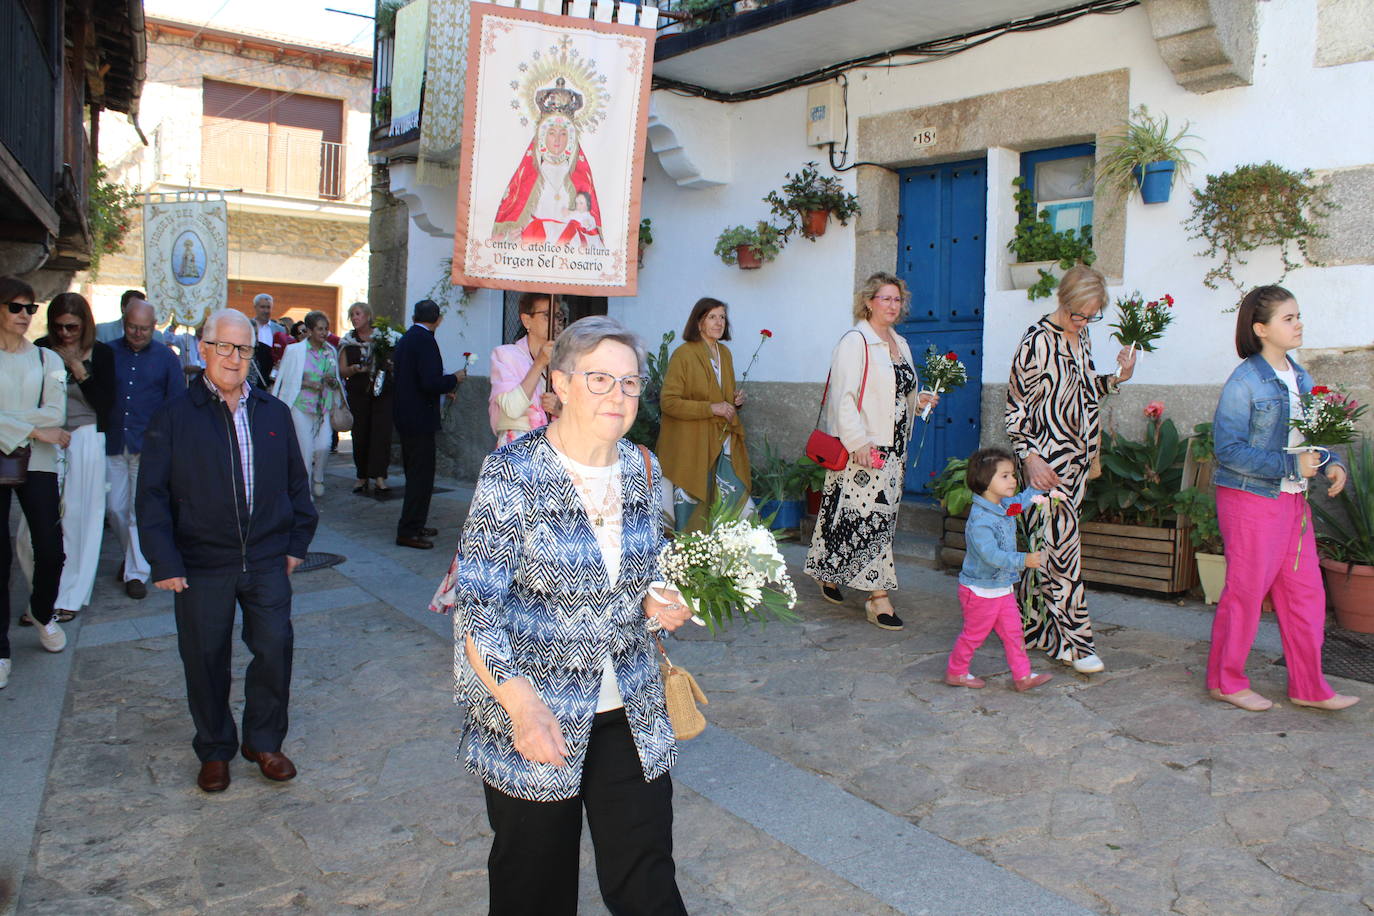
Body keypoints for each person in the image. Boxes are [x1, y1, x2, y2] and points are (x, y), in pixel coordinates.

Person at [429, 315, 691, 914]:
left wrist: (659, 594)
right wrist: (520, 706)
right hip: (536, 711)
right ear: (563, 385)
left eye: (629, 383)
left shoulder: (643, 470)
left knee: (647, 878)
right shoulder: (513, 474)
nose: (618, 396)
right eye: (600, 379)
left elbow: (643, 565)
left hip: (629, 704)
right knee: (534, 884)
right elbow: (479, 608)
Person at [138, 308, 318, 791]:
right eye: (224, 346)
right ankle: (215, 747)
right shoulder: (174, 417)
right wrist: (165, 560)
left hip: (264, 559)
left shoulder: (273, 413)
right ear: (203, 349)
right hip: (201, 563)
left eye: (243, 349)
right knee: (204, 656)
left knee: (275, 649)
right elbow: (151, 495)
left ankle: (263, 741)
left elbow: (297, 486)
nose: (234, 358)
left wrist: (296, 543)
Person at [1206, 286, 1358, 712]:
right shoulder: (1245, 382)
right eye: (1289, 318)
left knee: (1306, 594)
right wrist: (1292, 467)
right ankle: (1225, 681)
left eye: (1298, 316)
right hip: (1250, 500)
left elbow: (1313, 438)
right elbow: (1229, 450)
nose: (1298, 324)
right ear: (1261, 329)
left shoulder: (1300, 376)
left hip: (1294, 503)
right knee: (1246, 592)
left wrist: (1330, 461)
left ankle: (1309, 686)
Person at [1004, 266, 1136, 673]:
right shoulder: (1036, 342)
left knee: (1045, 550)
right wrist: (1029, 457)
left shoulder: (1082, 338)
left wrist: (1117, 377)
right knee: (1063, 554)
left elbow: (1084, 390)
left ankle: (1030, 630)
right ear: (1063, 300)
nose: (1084, 321)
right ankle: (1078, 644)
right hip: (1045, 466)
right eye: (1079, 313)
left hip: (1076, 464)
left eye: (1092, 315)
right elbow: (1014, 408)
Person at [805, 272, 937, 631]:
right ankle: (877, 598)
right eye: (885, 299)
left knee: (850, 512)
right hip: (865, 445)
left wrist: (918, 401)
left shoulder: (900, 343)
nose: (893, 305)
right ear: (868, 301)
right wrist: (858, 444)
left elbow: (896, 394)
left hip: (894, 447)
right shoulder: (855, 341)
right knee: (872, 519)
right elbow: (844, 398)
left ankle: (824, 569)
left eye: (897, 299)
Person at [16, 294, 114, 624]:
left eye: (72, 327)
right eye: (58, 327)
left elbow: (105, 404)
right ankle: (42, 596)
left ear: (85, 324)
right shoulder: (41, 349)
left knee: (81, 519)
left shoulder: (102, 353)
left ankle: (70, 594)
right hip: (46, 438)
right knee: (33, 528)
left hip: (86, 436)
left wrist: (77, 368)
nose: (65, 334)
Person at [0, 277, 69, 688]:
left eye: (31, 308)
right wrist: (34, 429)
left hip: (39, 464)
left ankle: (43, 613)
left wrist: (21, 428)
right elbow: (43, 425)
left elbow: (56, 416)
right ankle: (0, 647)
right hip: (23, 452)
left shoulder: (48, 361)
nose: (25, 315)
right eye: (15, 307)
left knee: (51, 549)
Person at [944, 448, 1054, 692]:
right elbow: (991, 556)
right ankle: (956, 671)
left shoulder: (1004, 507)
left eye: (1013, 475)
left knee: (1014, 634)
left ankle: (1023, 676)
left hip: (1001, 589)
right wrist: (1023, 560)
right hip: (980, 591)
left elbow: (1020, 504)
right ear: (984, 480)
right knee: (974, 636)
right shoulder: (981, 520)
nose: (1013, 480)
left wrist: (1037, 488)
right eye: (1004, 476)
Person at [107, 298, 185, 600]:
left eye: (144, 328)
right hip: (114, 441)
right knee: (114, 508)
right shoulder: (109, 353)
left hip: (148, 445)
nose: (138, 333)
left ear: (154, 327)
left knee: (137, 513)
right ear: (124, 322)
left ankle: (136, 573)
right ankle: (132, 557)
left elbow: (176, 403)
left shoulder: (166, 358)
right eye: (132, 327)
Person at [657, 296, 751, 531]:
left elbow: (721, 396)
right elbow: (668, 403)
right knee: (691, 508)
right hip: (691, 444)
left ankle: (727, 555)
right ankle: (689, 559)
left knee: (732, 498)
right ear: (699, 323)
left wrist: (735, 401)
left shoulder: (725, 353)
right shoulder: (684, 354)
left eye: (722, 317)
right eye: (712, 317)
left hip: (720, 441)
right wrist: (711, 408)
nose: (719, 322)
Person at [492, 79, 603, 245]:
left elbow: (589, 224)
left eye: (563, 134)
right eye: (552, 133)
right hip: (534, 247)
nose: (557, 139)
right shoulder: (529, 175)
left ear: (571, 137)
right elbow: (513, 219)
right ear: (543, 135)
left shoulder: (579, 177)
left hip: (570, 253)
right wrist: (516, 235)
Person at [392, 299, 463, 549]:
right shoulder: (425, 340)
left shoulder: (407, 338)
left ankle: (416, 523)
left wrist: (443, 390)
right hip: (419, 419)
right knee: (421, 477)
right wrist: (453, 379)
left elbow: (412, 379)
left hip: (406, 416)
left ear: (414, 317)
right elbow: (430, 382)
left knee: (417, 475)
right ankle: (408, 531)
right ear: (438, 320)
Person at [273, 310, 344, 499]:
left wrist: (333, 383)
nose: (324, 333)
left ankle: (318, 477)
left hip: (324, 405)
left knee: (324, 445)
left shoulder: (330, 351)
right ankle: (304, 489)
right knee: (305, 449)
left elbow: (336, 379)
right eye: (320, 329)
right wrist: (306, 383)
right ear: (310, 331)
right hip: (301, 405)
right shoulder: (295, 350)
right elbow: (284, 379)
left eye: (326, 329)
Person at [488, 292, 563, 448]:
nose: (555, 322)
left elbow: (581, 417)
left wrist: (560, 410)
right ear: (527, 320)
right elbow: (512, 409)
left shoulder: (565, 363)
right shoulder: (506, 355)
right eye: (547, 315)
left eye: (558, 316)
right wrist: (539, 363)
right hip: (518, 456)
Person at [339, 302, 396, 494]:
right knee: (360, 434)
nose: (355, 318)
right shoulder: (348, 341)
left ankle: (380, 477)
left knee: (381, 433)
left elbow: (393, 361)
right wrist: (354, 369)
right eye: (352, 315)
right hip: (358, 392)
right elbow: (342, 369)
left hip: (381, 392)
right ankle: (361, 476)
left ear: (368, 316)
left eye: (358, 314)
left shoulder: (384, 337)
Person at [95, 289, 161, 343]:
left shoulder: (157, 336)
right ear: (123, 308)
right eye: (133, 307)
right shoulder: (103, 330)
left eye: (141, 307)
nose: (138, 311)